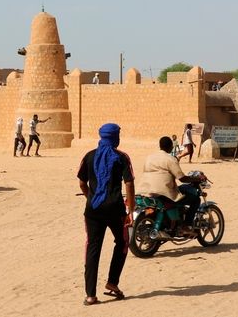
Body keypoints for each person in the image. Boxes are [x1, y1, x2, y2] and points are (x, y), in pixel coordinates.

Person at [77, 123, 135, 306]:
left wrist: (91, 197)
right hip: (115, 209)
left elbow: (81, 183)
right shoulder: (121, 157)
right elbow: (129, 183)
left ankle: (90, 295)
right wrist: (130, 209)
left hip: (93, 210)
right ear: (115, 137)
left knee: (93, 249)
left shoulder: (89, 156)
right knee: (123, 241)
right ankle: (112, 282)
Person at [136, 136, 204, 237]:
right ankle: (186, 226)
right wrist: (198, 179)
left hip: (145, 190)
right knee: (195, 200)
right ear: (171, 147)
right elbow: (182, 178)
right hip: (164, 192)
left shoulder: (149, 157)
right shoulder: (170, 159)